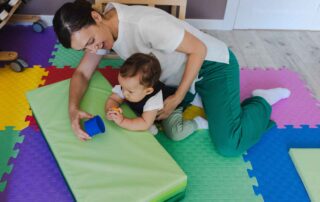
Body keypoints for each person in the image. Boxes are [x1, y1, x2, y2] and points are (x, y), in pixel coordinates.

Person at [53, 0, 291, 156]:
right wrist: (72, 109)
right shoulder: (102, 35)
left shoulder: (145, 24)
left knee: (229, 145)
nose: (94, 50)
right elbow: (82, 73)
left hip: (211, 66)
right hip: (173, 78)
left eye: (91, 42)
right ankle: (198, 99)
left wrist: (177, 98)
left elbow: (198, 49)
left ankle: (261, 102)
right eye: (85, 49)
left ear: (96, 17)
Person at [105, 52, 208, 140]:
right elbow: (113, 98)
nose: (124, 92)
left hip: (168, 108)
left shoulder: (153, 100)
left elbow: (145, 123)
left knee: (175, 134)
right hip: (147, 113)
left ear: (148, 91)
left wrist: (122, 121)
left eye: (130, 91)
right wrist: (110, 110)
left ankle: (198, 122)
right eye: (122, 86)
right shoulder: (128, 86)